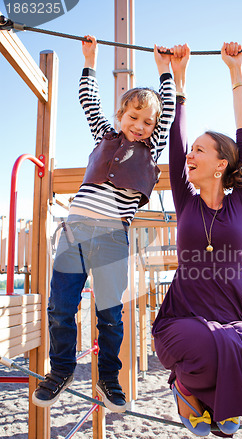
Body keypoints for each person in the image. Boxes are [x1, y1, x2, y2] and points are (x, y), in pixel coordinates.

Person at [152, 43, 242, 437]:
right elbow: (174, 143)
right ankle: (185, 389)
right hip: (183, 320)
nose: (189, 156)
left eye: (200, 150)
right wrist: (179, 81)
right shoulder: (186, 201)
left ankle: (216, 401)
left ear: (221, 165)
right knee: (206, 346)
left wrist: (236, 73)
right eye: (191, 151)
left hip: (232, 318)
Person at [32, 36, 176, 412]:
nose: (140, 126)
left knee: (110, 313)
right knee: (60, 307)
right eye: (133, 118)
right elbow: (87, 100)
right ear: (120, 117)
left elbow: (170, 110)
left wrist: (164, 71)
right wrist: (90, 60)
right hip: (75, 232)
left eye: (148, 122)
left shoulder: (152, 147)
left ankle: (109, 377)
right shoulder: (104, 135)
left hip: (113, 239)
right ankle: (60, 368)